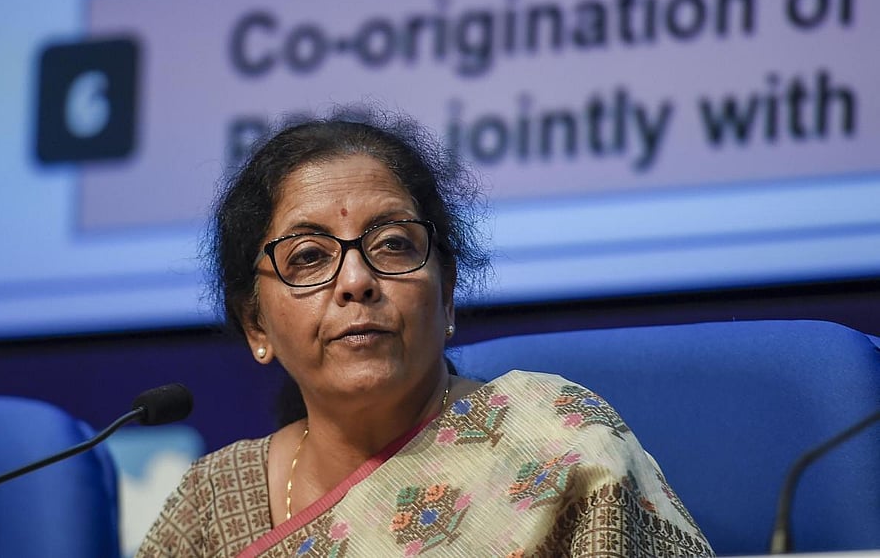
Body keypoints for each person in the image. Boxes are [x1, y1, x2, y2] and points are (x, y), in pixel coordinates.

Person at [136, 107, 714, 557]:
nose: (356, 281)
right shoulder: (211, 505)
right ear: (256, 324)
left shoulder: (557, 448)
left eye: (392, 244)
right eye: (309, 256)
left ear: (446, 293)